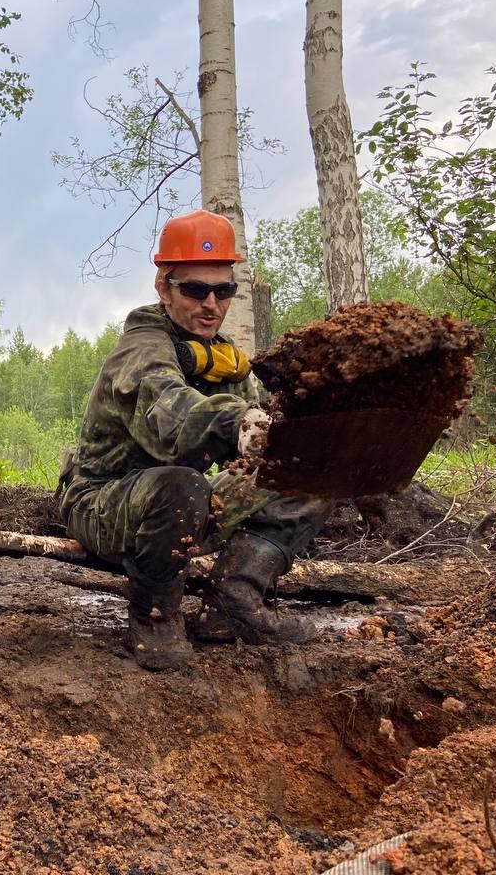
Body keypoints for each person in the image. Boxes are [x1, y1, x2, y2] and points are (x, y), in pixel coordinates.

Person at [57, 209, 332, 671]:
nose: (211, 303)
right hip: (100, 500)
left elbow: (253, 451)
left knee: (308, 471)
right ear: (163, 289)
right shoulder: (142, 348)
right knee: (183, 485)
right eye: (194, 289)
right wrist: (238, 424)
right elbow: (168, 417)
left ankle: (233, 603)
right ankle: (155, 617)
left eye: (223, 290)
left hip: (182, 504)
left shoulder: (223, 360)